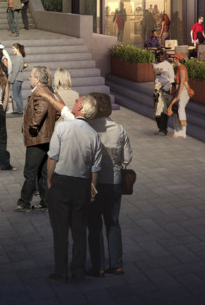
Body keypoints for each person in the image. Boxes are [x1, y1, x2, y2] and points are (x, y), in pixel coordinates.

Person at [45, 94, 105, 282]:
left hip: (61, 182)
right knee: (79, 231)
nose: (76, 101)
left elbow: (52, 157)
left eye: (79, 101)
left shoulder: (62, 127)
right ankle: (78, 270)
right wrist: (93, 192)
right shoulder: (94, 135)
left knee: (60, 230)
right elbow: (95, 170)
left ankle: (61, 270)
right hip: (82, 185)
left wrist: (49, 180)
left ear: (80, 108)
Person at [84, 93, 130, 277]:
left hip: (93, 183)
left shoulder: (88, 128)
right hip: (114, 181)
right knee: (113, 223)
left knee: (94, 225)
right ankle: (117, 264)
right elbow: (127, 158)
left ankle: (98, 266)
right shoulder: (119, 129)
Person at [17, 66, 58, 213]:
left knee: (30, 172)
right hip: (46, 138)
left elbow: (42, 108)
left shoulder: (40, 93)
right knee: (43, 173)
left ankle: (24, 202)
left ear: (38, 79)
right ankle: (46, 202)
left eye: (31, 76)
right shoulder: (49, 91)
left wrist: (33, 127)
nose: (29, 78)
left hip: (38, 139)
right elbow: (58, 111)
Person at [152, 49, 176, 136]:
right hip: (157, 90)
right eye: (158, 55)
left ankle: (163, 129)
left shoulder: (168, 65)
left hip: (165, 90)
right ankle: (160, 127)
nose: (160, 56)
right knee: (156, 110)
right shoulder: (153, 64)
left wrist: (167, 87)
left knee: (164, 110)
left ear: (164, 55)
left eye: (161, 54)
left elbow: (172, 78)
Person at [170, 50, 192, 139]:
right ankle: (178, 131)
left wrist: (178, 95)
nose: (173, 59)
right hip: (180, 90)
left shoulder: (182, 68)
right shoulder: (179, 68)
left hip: (183, 91)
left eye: (174, 58)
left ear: (177, 59)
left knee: (180, 109)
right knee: (176, 110)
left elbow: (182, 82)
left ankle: (182, 132)